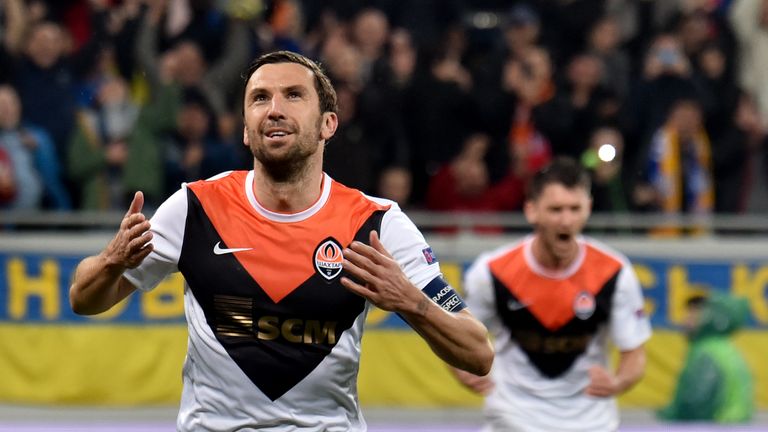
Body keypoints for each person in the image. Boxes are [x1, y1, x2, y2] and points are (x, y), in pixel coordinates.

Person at [68, 50, 493, 431]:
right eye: (259, 98)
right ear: (246, 132)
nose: (274, 109)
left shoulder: (377, 223)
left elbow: (478, 352)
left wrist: (409, 300)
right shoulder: (195, 208)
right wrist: (111, 260)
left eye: (293, 95)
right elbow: (84, 299)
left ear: (329, 124)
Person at [453, 156, 651, 432]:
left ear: (589, 208)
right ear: (532, 210)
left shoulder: (614, 272)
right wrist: (459, 367)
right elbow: (452, 330)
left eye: (575, 209)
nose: (566, 220)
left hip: (590, 422)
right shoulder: (491, 272)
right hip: (512, 419)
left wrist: (618, 382)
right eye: (556, 209)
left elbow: (634, 352)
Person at [657, 293, 754, 423]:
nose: (685, 320)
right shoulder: (726, 349)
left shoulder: (707, 354)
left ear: (712, 317)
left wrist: (672, 415)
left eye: (693, 313)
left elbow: (695, 404)